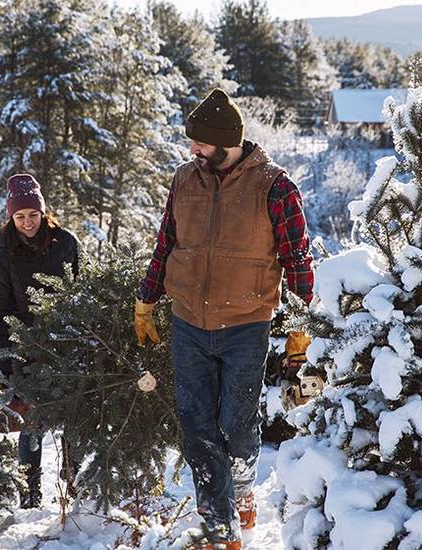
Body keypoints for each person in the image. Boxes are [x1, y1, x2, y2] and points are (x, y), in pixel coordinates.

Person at [134, 88, 315, 550]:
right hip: (189, 322)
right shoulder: (183, 179)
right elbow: (165, 244)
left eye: (199, 142)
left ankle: (241, 488)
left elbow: (298, 261)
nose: (192, 149)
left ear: (225, 141)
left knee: (237, 424)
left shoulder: (275, 187)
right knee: (196, 427)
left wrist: (301, 328)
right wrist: (146, 301)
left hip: (246, 324)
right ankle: (220, 529)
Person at [0, 173, 80, 509]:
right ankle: (30, 492)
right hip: (25, 350)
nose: (28, 222)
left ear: (44, 213)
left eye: (33, 215)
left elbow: (82, 291)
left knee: (74, 415)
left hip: (66, 342)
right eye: (20, 216)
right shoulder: (2, 259)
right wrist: (3, 364)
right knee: (31, 423)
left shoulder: (65, 243)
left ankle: (75, 482)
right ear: (11, 217)